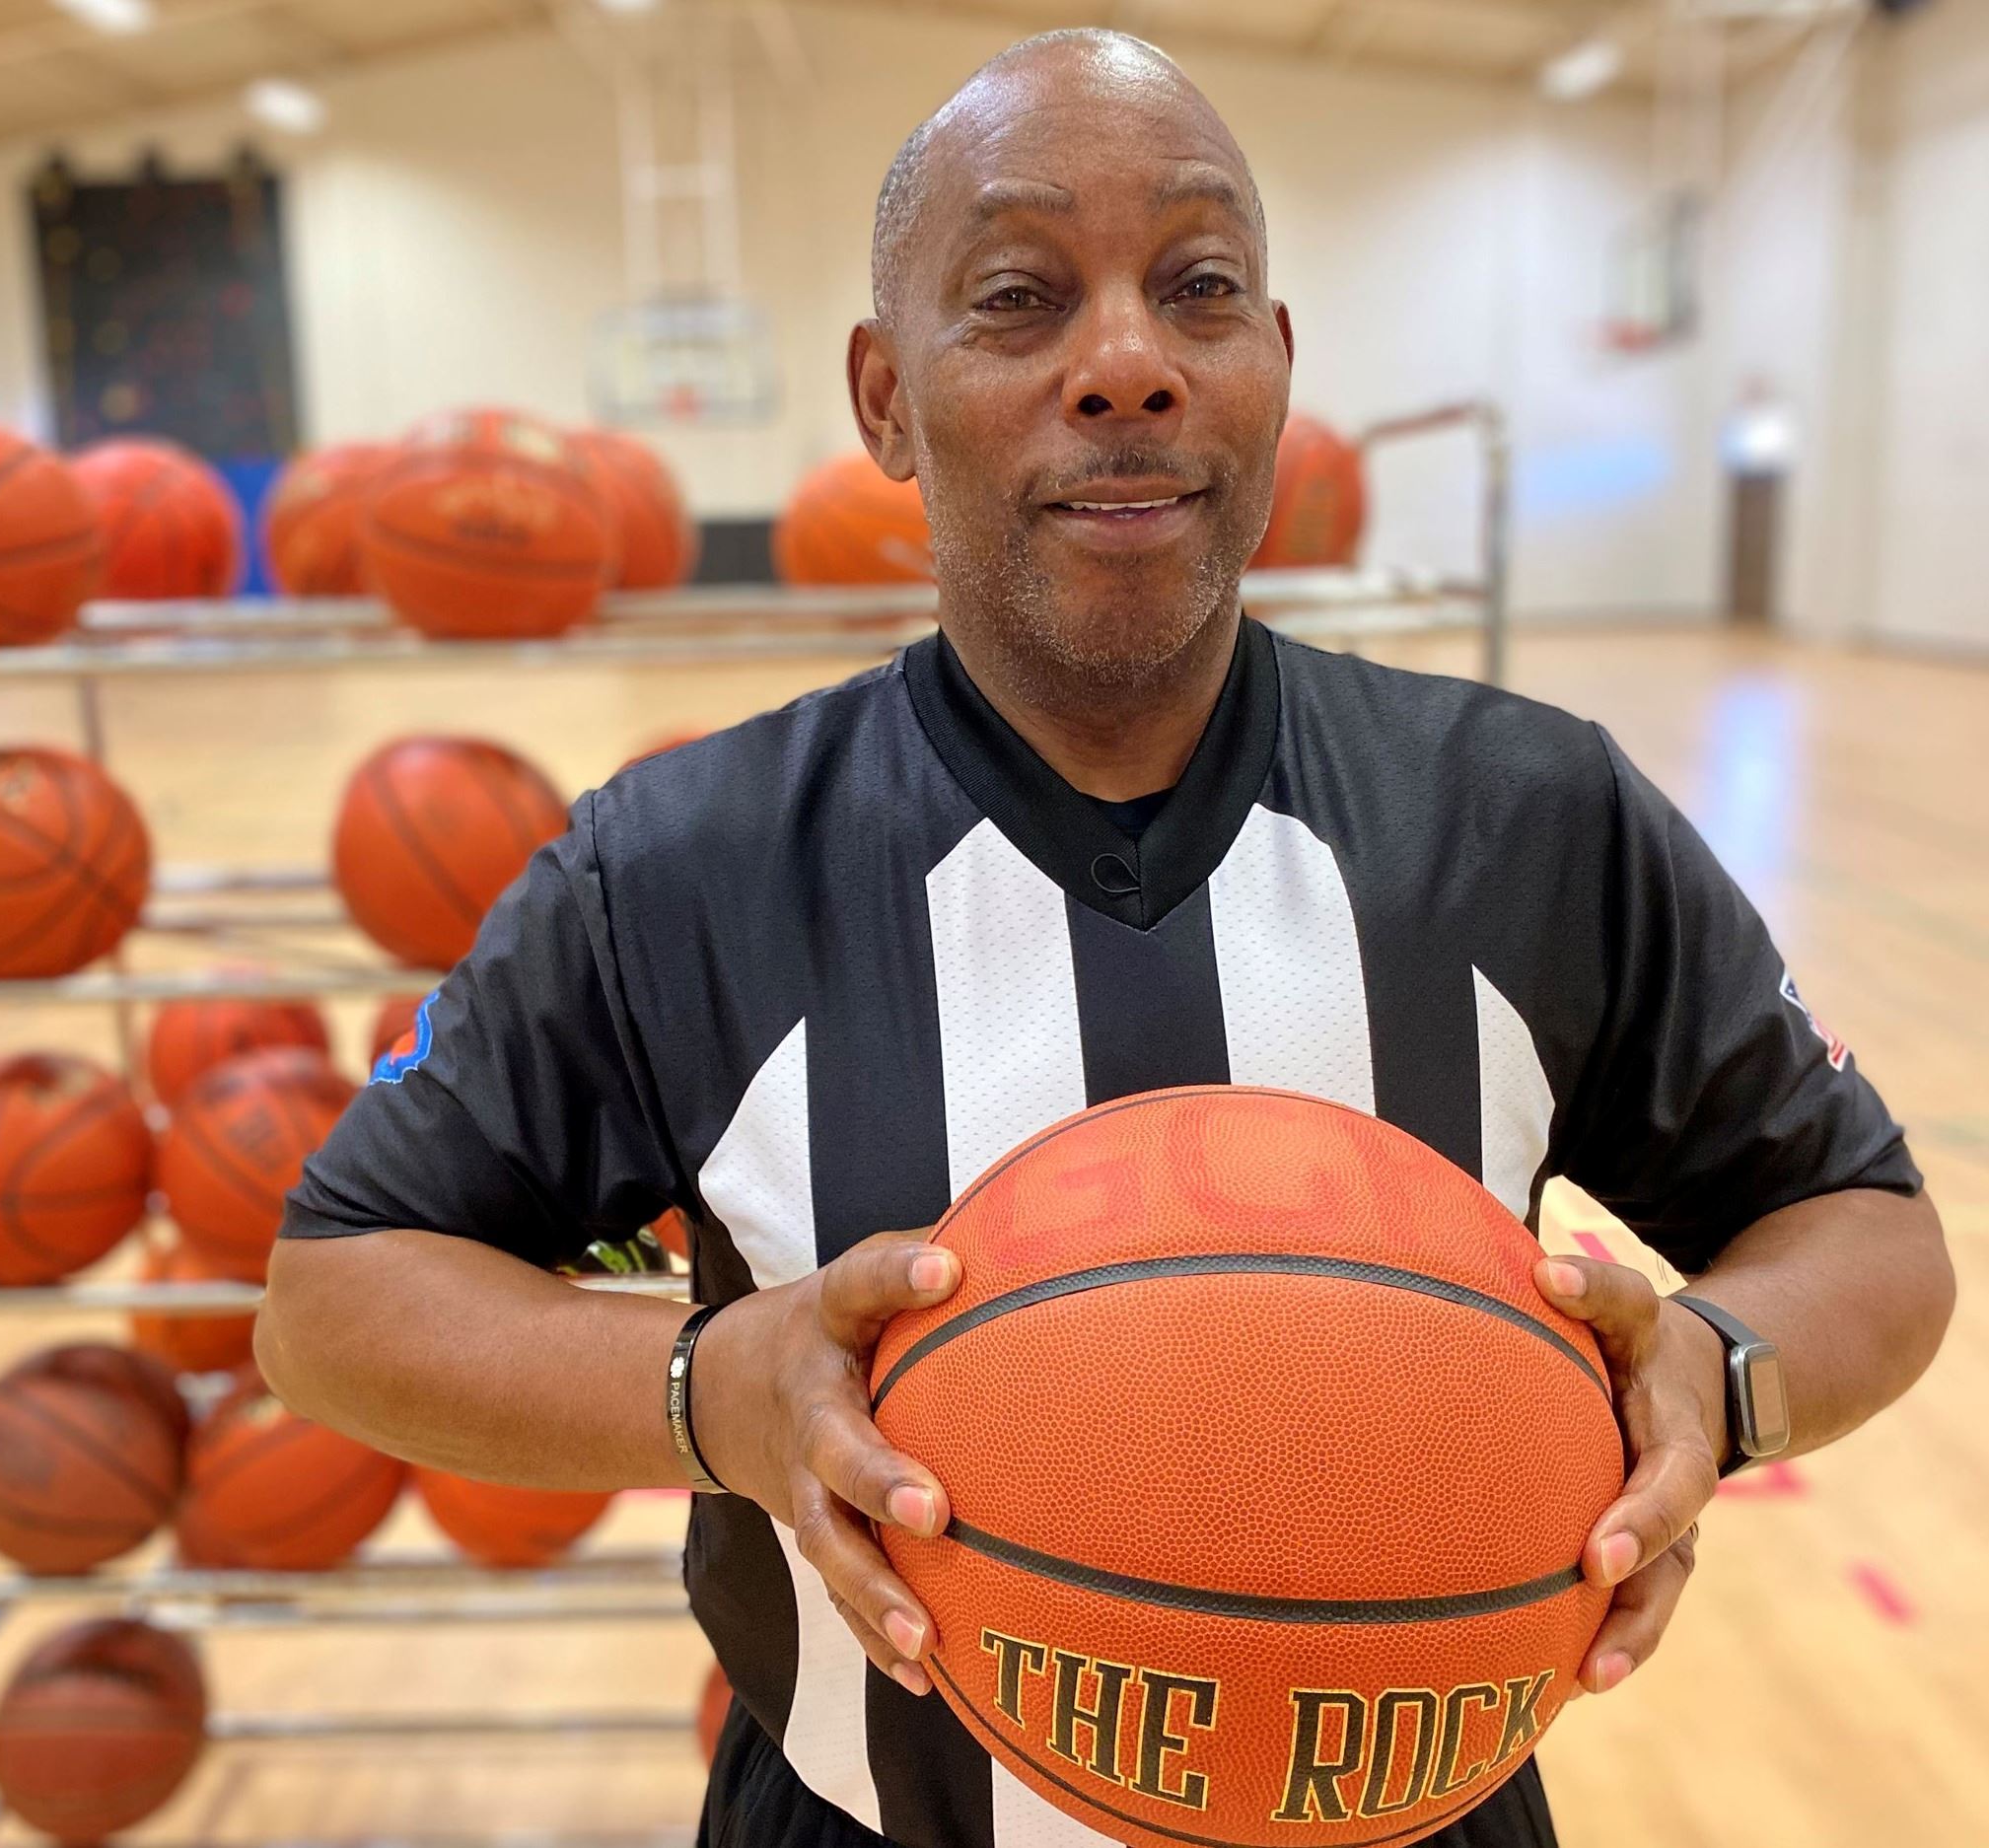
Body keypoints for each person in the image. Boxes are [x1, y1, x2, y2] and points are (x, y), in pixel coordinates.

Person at [256, 30, 1953, 1848]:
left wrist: (1720, 1361)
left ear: (1276, 371)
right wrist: (702, 1386)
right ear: (885, 398)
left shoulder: (1524, 815)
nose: (1128, 365)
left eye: (1200, 288)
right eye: (1019, 297)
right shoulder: (679, 865)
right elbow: (334, 1292)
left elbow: (1868, 1230)